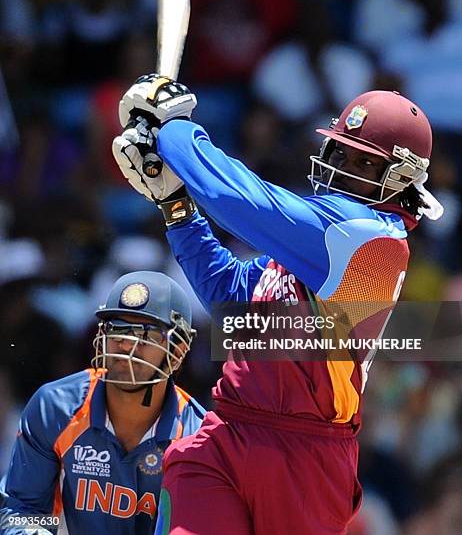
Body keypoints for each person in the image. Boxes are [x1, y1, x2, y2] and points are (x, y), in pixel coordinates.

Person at [112, 76, 443, 534]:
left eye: (361, 163)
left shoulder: (370, 239)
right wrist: (175, 204)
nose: (340, 166)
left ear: (398, 181)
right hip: (227, 430)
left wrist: (173, 128)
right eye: (338, 152)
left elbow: (235, 198)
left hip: (306, 454)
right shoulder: (316, 238)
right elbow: (229, 292)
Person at [0, 271, 204, 535]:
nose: (125, 344)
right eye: (116, 328)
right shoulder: (56, 407)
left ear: (176, 351)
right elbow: (21, 510)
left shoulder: (196, 437)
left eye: (144, 333)